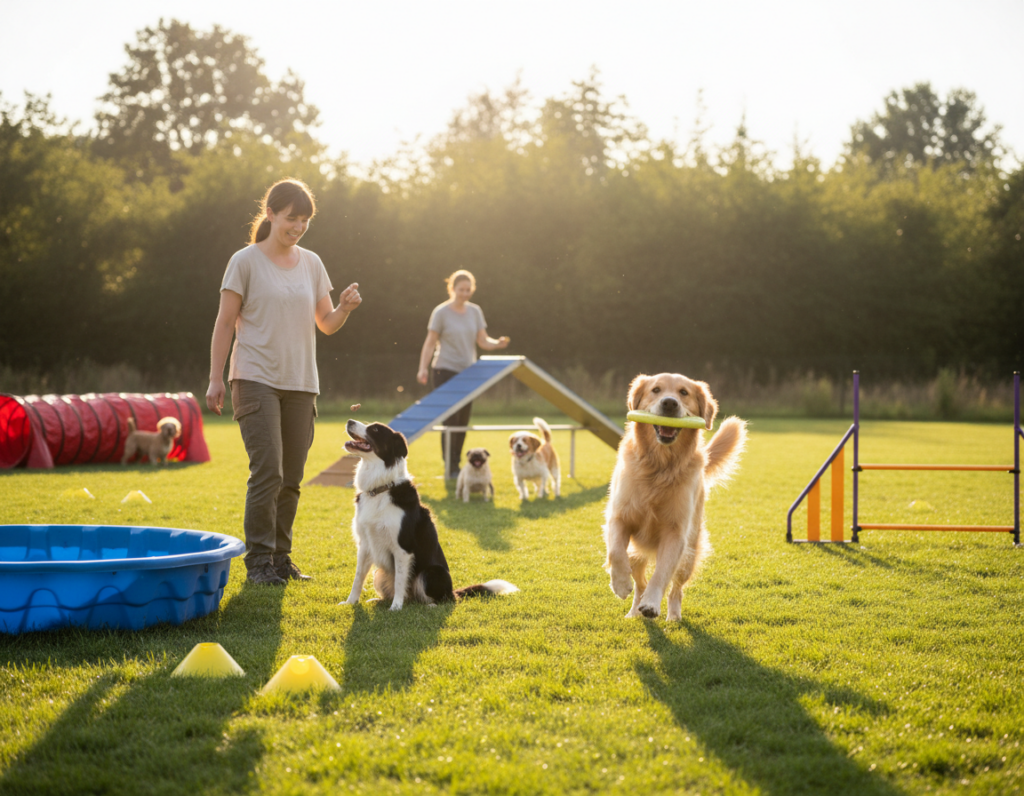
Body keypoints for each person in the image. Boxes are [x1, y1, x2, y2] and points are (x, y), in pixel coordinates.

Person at [206, 178, 362, 586]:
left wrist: (344, 308)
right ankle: (258, 562)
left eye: (305, 220)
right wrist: (215, 378)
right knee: (268, 472)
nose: (298, 227)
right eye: (291, 218)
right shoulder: (245, 261)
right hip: (255, 377)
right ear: (271, 214)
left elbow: (326, 324)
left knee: (291, 478)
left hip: (301, 382)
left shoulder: (312, 263)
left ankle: (280, 559)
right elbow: (225, 322)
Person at [417, 270, 510, 478]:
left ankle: (457, 465)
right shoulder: (441, 312)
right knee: (450, 420)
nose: (465, 293)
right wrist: (423, 368)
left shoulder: (475, 311)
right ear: (452, 289)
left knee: (462, 421)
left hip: (468, 372)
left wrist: (498, 344)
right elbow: (430, 342)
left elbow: (483, 341)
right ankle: (450, 466)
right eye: (461, 290)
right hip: (444, 370)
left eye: (469, 290)